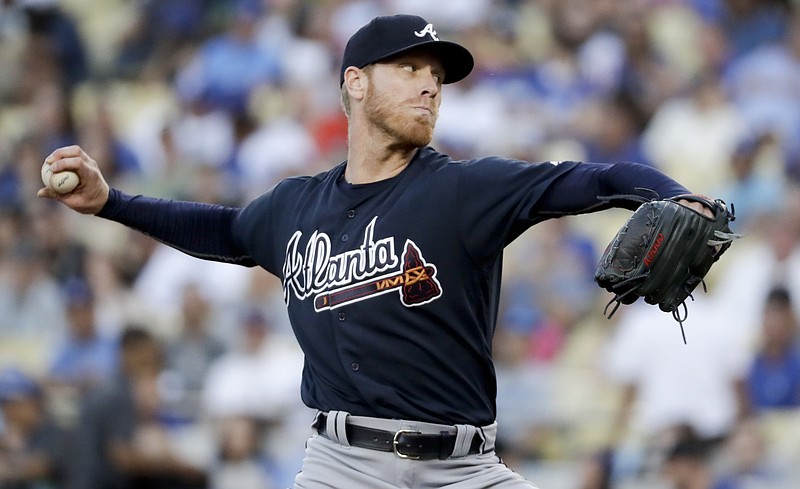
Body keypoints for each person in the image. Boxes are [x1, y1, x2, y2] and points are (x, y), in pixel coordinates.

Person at [38, 14, 720, 489]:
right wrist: (112, 202)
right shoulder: (294, 207)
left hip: (464, 467)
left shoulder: (464, 190)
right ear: (356, 83)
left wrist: (673, 192)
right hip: (343, 464)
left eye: (437, 75)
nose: (430, 84)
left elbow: (590, 179)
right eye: (410, 68)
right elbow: (225, 231)